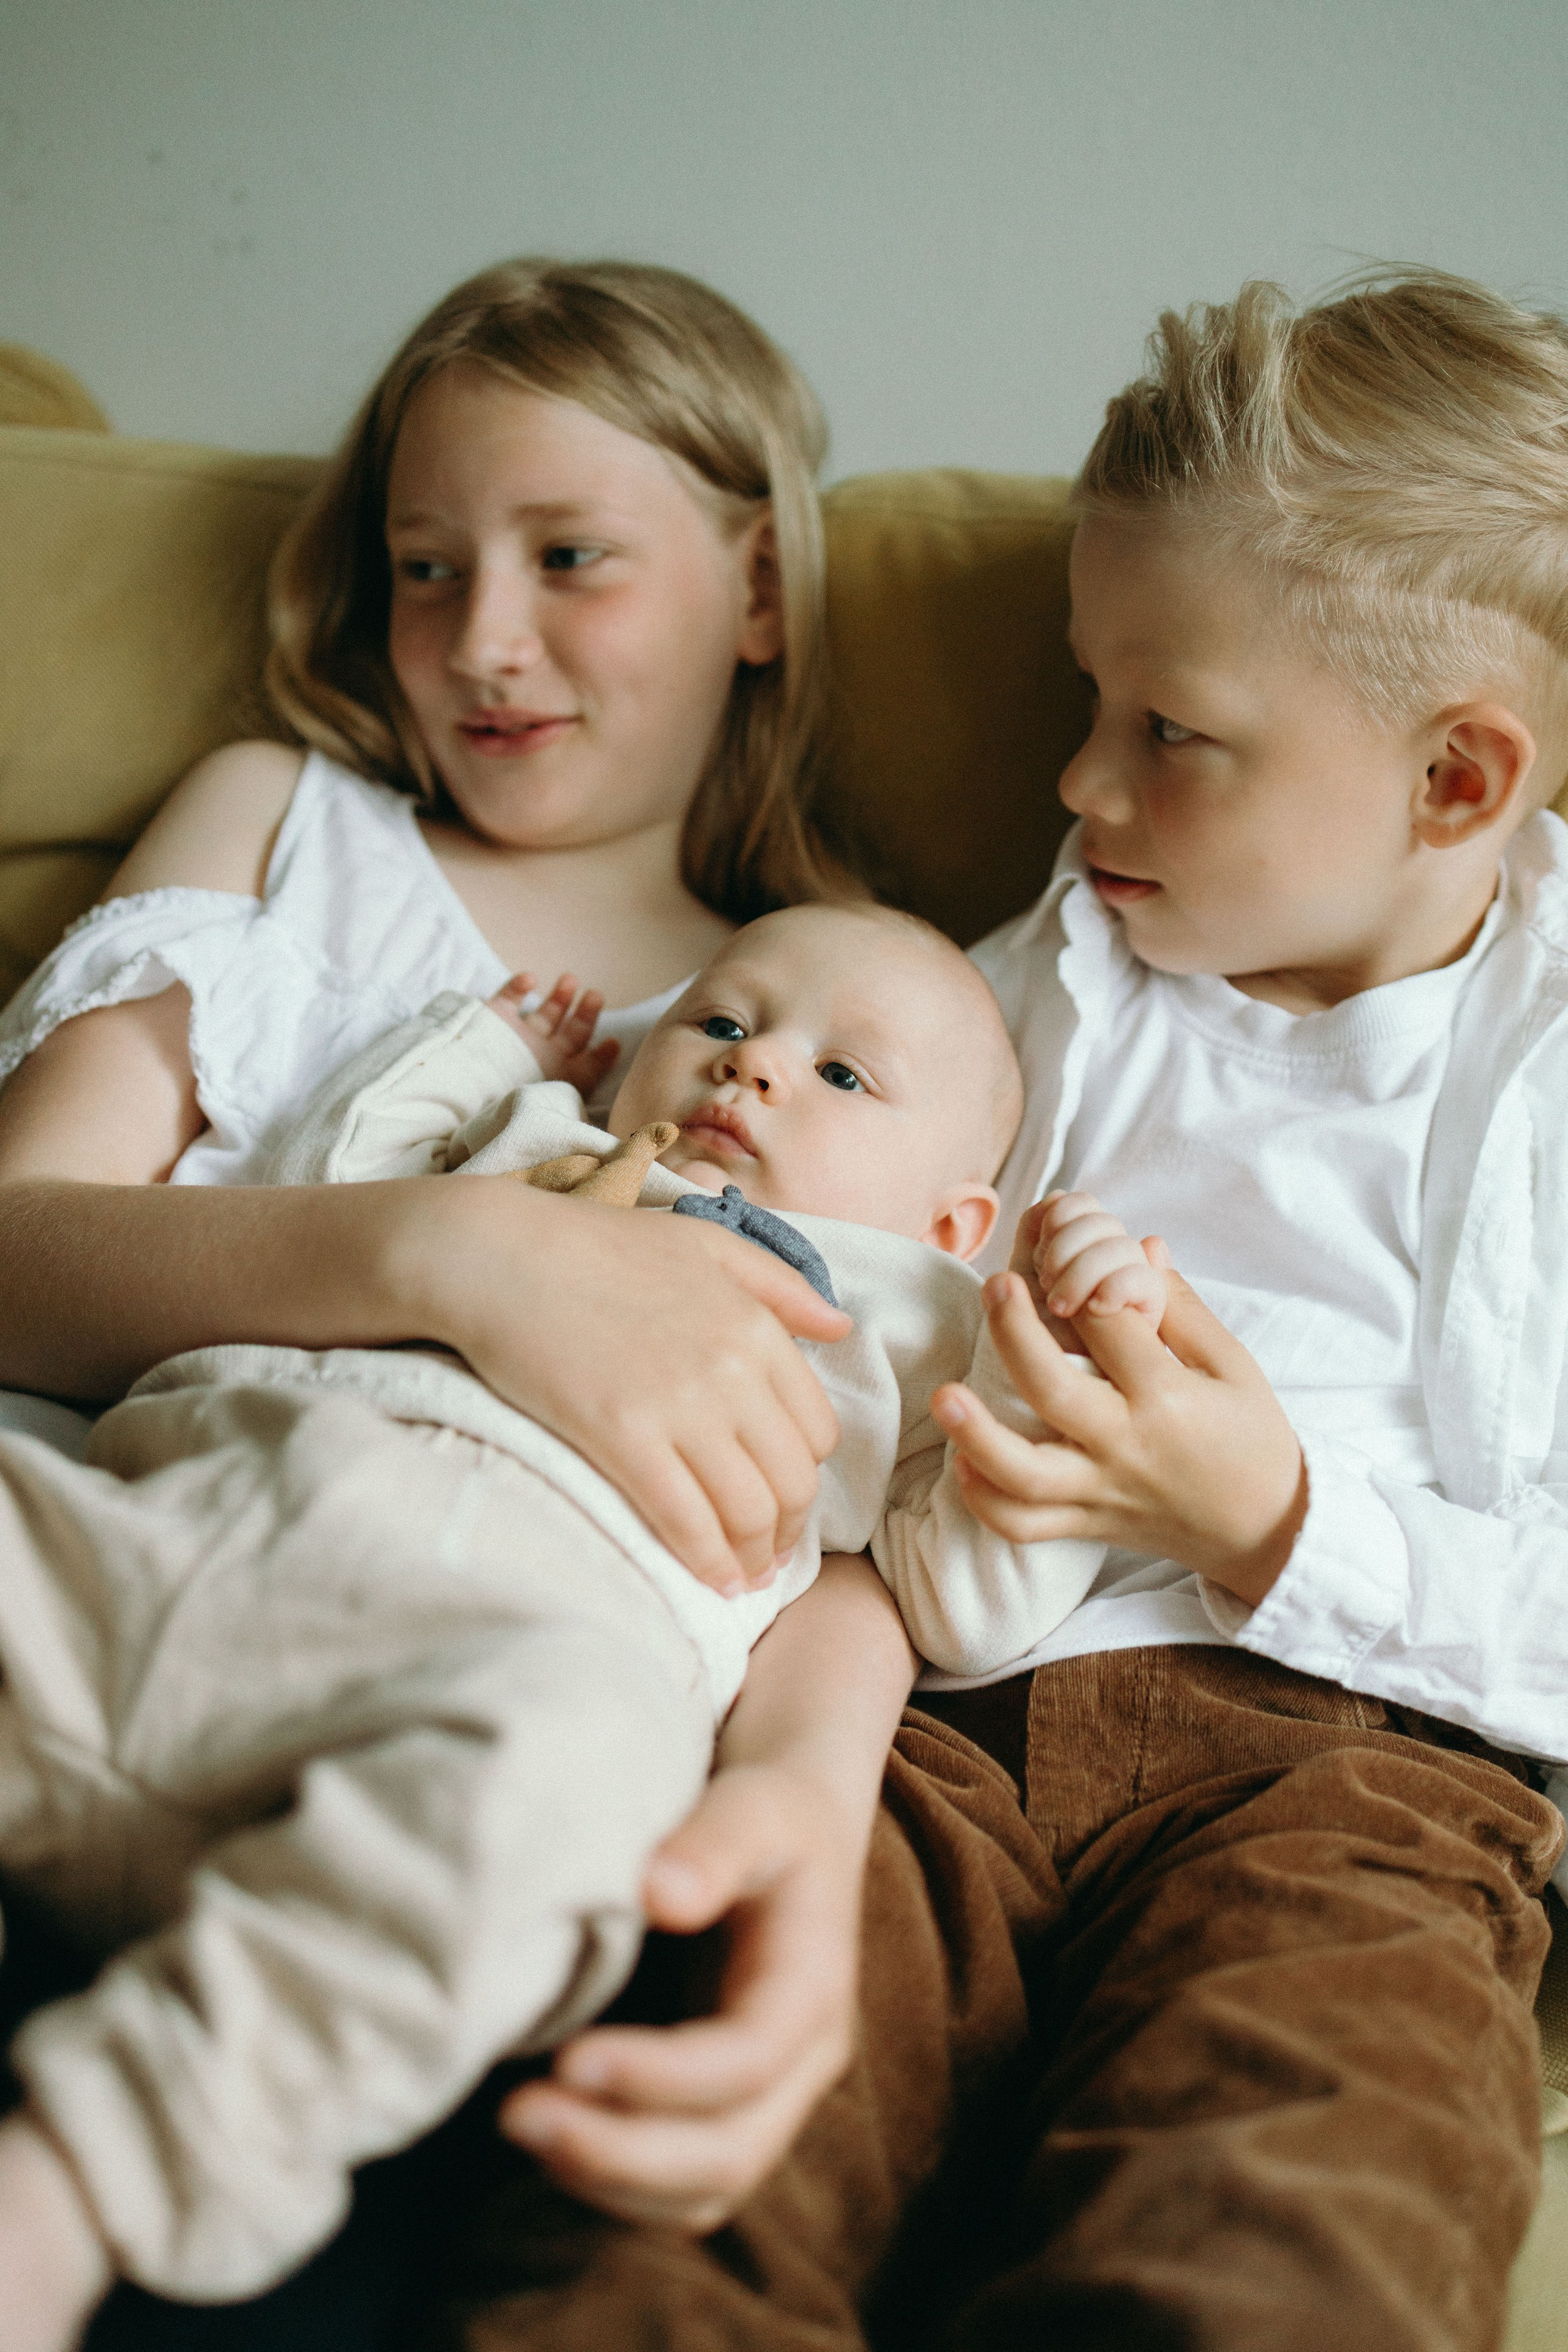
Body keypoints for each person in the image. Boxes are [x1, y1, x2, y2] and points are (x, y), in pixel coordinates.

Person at [424, 274, 1568, 2352]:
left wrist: (1277, 1515)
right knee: (682, 2171)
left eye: (1169, 733)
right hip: (941, 1714)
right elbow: (799, 1318)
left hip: (1356, 1768)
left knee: (1291, 2209)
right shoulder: (1006, 993)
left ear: (1457, 783)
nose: (1079, 783)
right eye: (1083, 698)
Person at [0, 258, 931, 2345]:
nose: (478, 644)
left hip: (462, 1714)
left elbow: (885, 1488)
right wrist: (455, 1250)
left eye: (569, 557)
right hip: (118, 1526)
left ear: (761, 586)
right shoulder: (286, 825)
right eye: (423, 568)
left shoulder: (869, 1015)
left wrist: (813, 1794)